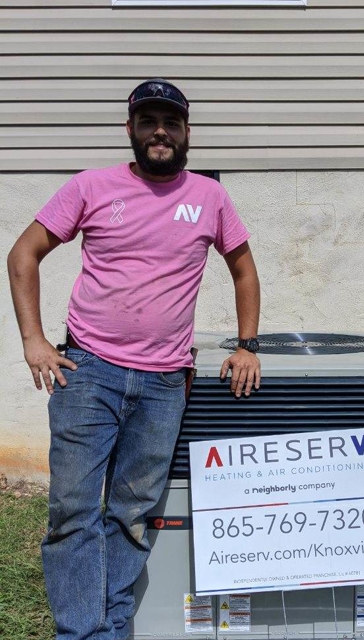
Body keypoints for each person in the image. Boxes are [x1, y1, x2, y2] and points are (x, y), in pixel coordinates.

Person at [7, 78, 261, 640]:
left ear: (187, 132)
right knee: (72, 511)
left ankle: (111, 626)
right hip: (88, 373)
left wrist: (248, 345)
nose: (160, 132)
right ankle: (81, 631)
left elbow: (243, 268)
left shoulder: (210, 197)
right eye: (148, 122)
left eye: (170, 122)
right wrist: (33, 339)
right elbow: (23, 252)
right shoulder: (91, 187)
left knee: (132, 514)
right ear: (131, 130)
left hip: (164, 383)